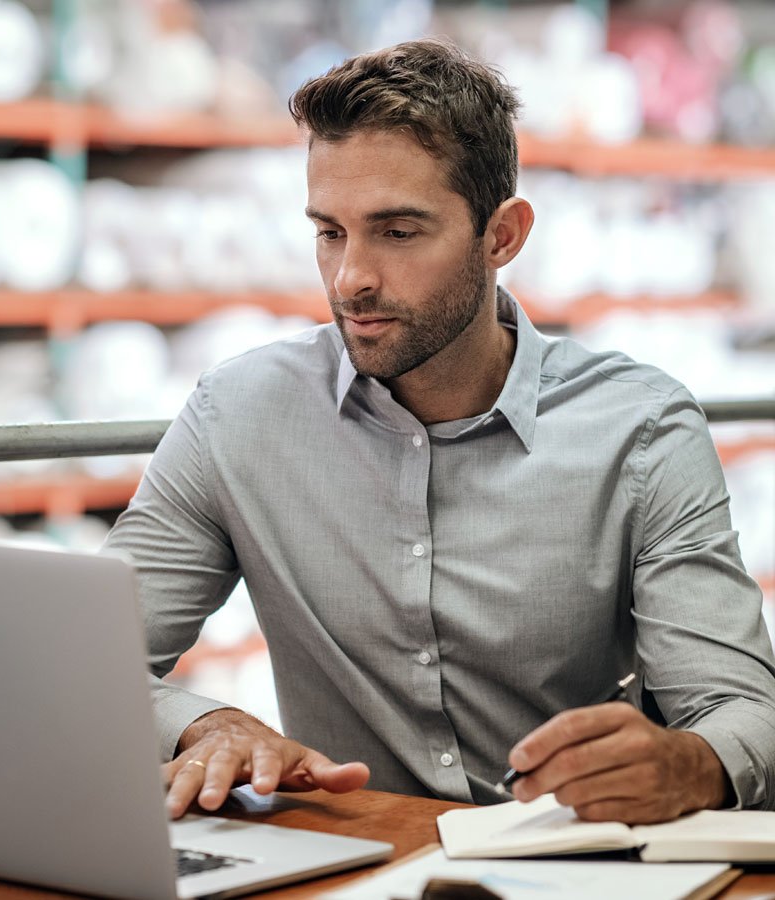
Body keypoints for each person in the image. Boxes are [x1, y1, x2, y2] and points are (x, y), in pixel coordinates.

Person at [102, 39, 775, 824]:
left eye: (397, 232)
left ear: (503, 237)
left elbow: (743, 712)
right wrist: (200, 725)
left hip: (576, 871)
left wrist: (689, 764)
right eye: (329, 232)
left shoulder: (641, 431)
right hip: (352, 861)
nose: (350, 276)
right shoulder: (238, 415)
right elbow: (88, 662)